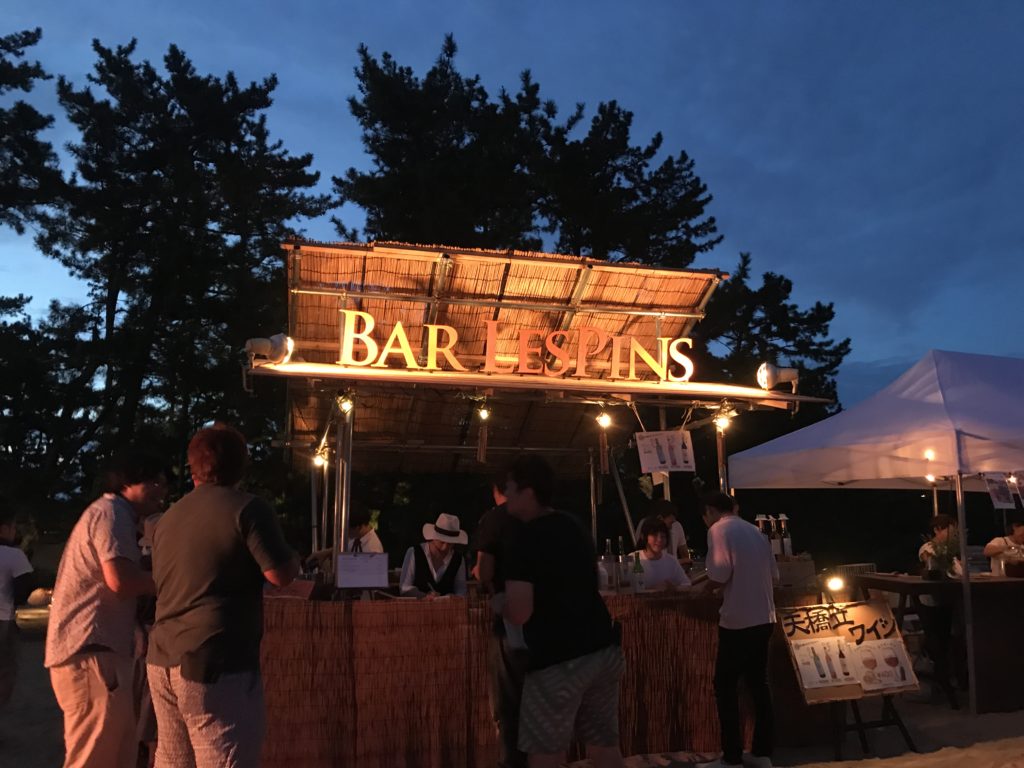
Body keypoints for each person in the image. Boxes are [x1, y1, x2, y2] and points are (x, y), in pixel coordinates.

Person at [147, 424, 299, 768]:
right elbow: (279, 575)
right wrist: (293, 558)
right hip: (215, 659)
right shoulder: (248, 509)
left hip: (162, 658)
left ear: (193, 467)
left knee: (172, 759)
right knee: (224, 757)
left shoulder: (168, 519)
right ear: (241, 465)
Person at [45, 453, 167, 768]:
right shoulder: (111, 514)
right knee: (95, 757)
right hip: (93, 654)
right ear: (126, 483)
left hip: (99, 655)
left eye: (162, 482)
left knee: (117, 755)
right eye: (152, 482)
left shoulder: (113, 515)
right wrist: (176, 582)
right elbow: (121, 581)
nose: (161, 489)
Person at [503, 454, 624, 768]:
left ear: (528, 491)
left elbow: (519, 612)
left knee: (546, 751)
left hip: (558, 658)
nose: (505, 494)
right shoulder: (574, 525)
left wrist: (498, 603)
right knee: (603, 745)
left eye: (510, 487)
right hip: (602, 647)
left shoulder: (524, 537)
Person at [698, 492, 778, 768]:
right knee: (758, 686)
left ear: (710, 511)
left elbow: (720, 573)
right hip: (765, 617)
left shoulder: (718, 530)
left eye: (705, 515)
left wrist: (704, 588)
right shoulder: (756, 532)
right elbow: (774, 574)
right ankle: (762, 753)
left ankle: (731, 757)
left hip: (738, 620)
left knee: (725, 687)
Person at [473, 476, 529, 768]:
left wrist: (480, 575)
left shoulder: (494, 519)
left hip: (509, 612)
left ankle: (512, 761)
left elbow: (484, 571)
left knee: (507, 698)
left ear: (497, 491)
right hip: (543, 615)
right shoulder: (540, 516)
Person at [0, 504, 34, 713]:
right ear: (4, 528)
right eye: (13, 527)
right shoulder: (14, 555)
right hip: (3, 618)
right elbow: (24, 588)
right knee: (5, 669)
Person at [399, 513, 468, 597]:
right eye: (442, 542)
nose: (445, 547)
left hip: (448, 605)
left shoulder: (458, 559)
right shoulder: (414, 552)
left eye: (450, 543)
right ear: (434, 537)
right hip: (418, 605)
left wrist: (454, 597)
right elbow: (404, 588)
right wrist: (424, 596)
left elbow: (461, 590)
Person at [636, 516, 690, 591]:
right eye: (654, 535)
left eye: (663, 536)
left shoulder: (671, 561)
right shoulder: (634, 559)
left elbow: (687, 585)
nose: (659, 539)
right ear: (643, 536)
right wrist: (652, 589)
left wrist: (673, 588)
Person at [634, 498, 690, 567]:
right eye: (670, 523)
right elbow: (651, 559)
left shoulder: (676, 526)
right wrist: (678, 562)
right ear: (660, 518)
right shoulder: (646, 525)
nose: (671, 527)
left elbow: (685, 555)